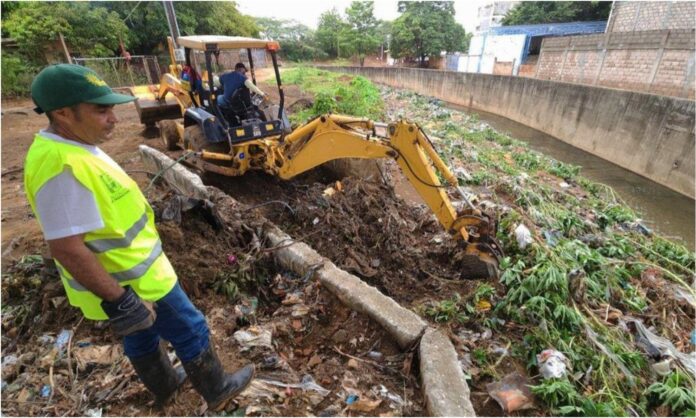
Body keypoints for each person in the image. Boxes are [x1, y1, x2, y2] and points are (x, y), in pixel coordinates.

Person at [24, 64, 254, 411]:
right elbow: (66, 249)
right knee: (190, 328)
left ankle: (166, 385)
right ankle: (218, 388)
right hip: (133, 280)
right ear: (62, 113)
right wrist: (121, 301)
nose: (114, 118)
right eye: (101, 111)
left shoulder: (74, 147)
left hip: (128, 274)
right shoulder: (61, 167)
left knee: (141, 334)